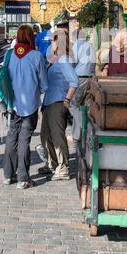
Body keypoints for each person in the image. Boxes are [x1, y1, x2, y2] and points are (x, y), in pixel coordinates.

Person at [3, 25, 48, 190]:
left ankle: (8, 175)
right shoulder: (36, 56)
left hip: (12, 104)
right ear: (31, 37)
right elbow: (44, 84)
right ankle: (23, 178)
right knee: (24, 140)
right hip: (29, 106)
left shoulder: (9, 55)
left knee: (11, 137)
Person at [39, 30, 79, 181]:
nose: (50, 44)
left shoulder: (64, 60)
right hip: (49, 101)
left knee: (57, 136)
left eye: (52, 41)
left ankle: (63, 168)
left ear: (58, 42)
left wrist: (67, 100)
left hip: (58, 102)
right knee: (45, 136)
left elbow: (74, 81)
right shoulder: (55, 59)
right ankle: (52, 164)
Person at [69, 32, 96, 170]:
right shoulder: (91, 46)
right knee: (86, 108)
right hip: (90, 79)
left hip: (79, 79)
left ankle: (78, 135)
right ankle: (84, 133)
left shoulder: (76, 46)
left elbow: (71, 63)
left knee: (73, 106)